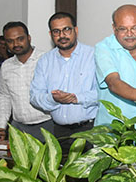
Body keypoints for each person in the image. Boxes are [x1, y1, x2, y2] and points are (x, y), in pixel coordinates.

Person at [30, 12, 98, 145]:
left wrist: (76, 98)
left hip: (90, 130)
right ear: (51, 34)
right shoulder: (45, 61)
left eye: (66, 29)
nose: (62, 35)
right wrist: (53, 99)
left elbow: (105, 94)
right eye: (56, 31)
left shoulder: (93, 56)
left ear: (76, 30)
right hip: (59, 132)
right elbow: (34, 96)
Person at [94, 4, 136, 126]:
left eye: (135, 28)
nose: (129, 34)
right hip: (113, 131)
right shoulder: (103, 49)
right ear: (114, 28)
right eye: (122, 29)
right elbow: (113, 82)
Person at [0, 22, 53, 141]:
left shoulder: (47, 59)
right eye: (10, 41)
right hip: (18, 128)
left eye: (20, 39)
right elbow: (4, 96)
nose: (16, 44)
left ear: (29, 38)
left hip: (48, 125)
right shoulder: (6, 66)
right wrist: (1, 126)